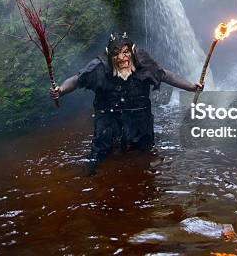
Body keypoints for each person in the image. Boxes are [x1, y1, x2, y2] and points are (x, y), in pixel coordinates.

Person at [50, 32, 203, 173]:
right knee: (98, 156)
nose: (122, 58)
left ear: (133, 51)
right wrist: (61, 90)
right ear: (109, 55)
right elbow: (77, 80)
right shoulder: (98, 68)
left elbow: (165, 75)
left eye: (125, 52)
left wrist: (190, 87)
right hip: (108, 120)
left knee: (145, 156)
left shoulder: (144, 64)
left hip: (140, 121)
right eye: (116, 54)